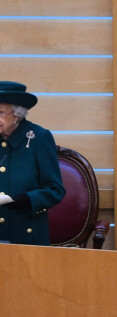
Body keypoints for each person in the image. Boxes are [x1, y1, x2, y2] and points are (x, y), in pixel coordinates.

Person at [0, 81, 65, 245]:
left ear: (17, 113)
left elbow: (55, 189)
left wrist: (25, 200)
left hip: (26, 235)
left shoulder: (39, 138)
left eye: (0, 112)